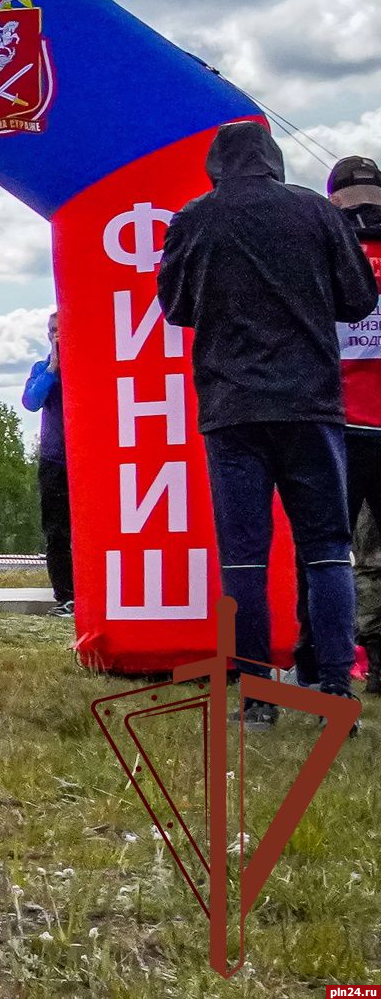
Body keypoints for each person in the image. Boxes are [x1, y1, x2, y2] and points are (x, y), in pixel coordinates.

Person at [158, 121, 374, 721]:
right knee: (328, 549)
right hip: (311, 405)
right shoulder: (316, 213)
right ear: (275, 162)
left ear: (215, 167)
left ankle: (255, 692)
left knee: (244, 557)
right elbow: (359, 299)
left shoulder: (193, 219)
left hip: (232, 411)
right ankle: (334, 686)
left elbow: (175, 308)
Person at [324, 156, 381, 687]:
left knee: (324, 551)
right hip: (355, 420)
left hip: (336, 421)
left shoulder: (321, 243)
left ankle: (325, 664)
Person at [21, 312, 73, 616]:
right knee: (56, 531)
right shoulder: (43, 369)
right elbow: (31, 401)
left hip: (86, 461)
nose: (57, 334)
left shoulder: (88, 365)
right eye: (53, 330)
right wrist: (53, 368)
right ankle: (65, 596)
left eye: (62, 329)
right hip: (55, 459)